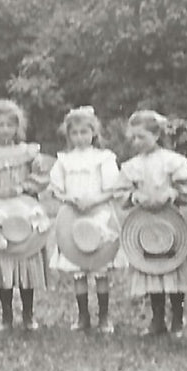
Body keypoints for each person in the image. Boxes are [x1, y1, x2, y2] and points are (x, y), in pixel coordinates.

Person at [120, 109, 187, 338]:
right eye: (133, 138)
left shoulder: (171, 161)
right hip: (145, 224)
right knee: (152, 270)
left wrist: (172, 193)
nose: (136, 142)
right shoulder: (132, 165)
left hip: (169, 221)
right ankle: (157, 319)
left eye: (141, 136)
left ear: (156, 135)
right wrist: (135, 197)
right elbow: (121, 193)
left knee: (172, 269)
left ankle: (177, 317)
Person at [0, 98, 51, 331]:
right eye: (1, 125)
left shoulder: (29, 152)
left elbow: (41, 178)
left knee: (26, 262)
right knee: (3, 263)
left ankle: (28, 314)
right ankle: (6, 315)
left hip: (25, 213)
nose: (5, 130)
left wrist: (23, 187)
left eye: (10, 125)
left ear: (18, 127)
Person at [48, 105, 124, 333]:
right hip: (73, 215)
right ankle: (82, 316)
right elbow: (56, 189)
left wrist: (94, 200)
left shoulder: (104, 158)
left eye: (84, 132)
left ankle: (104, 317)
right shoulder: (63, 160)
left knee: (100, 268)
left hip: (98, 213)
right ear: (68, 135)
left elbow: (113, 188)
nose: (80, 138)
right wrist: (70, 198)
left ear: (93, 132)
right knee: (77, 268)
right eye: (75, 133)